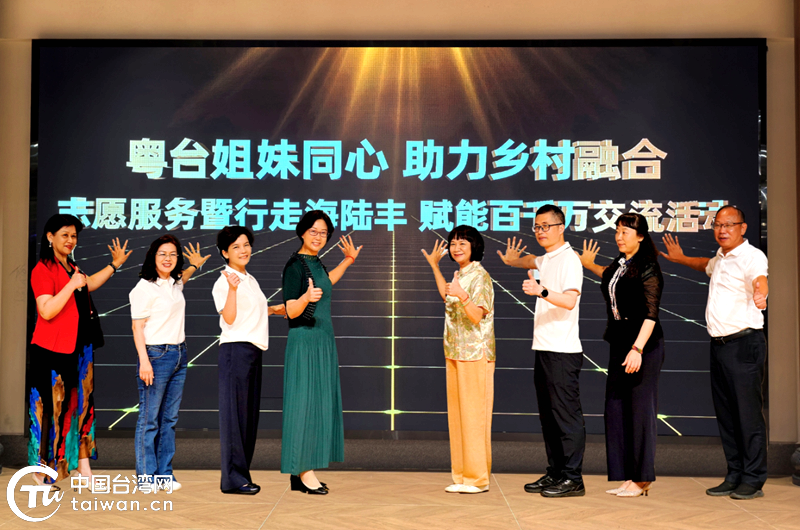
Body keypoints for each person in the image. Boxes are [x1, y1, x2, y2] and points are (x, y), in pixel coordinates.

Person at [660, 205, 768, 500]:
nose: (722, 230)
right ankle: (734, 474)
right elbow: (705, 265)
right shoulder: (721, 257)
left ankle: (753, 478)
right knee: (727, 416)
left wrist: (762, 293)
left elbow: (759, 279)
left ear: (743, 228)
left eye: (729, 224)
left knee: (747, 416)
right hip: (719, 346)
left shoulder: (751, 256)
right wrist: (682, 259)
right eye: (718, 225)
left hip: (743, 344)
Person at [29, 213, 132, 488]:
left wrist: (114, 265)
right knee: (53, 410)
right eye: (65, 235)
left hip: (79, 348)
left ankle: (81, 464)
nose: (70, 240)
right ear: (50, 237)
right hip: (52, 351)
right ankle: (43, 471)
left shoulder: (71, 266)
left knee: (82, 407)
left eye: (74, 236)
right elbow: (46, 310)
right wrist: (71, 285)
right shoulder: (43, 269)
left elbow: (89, 284)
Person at [497, 204, 585, 497]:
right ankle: (556, 473)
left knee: (566, 417)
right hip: (545, 346)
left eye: (546, 226)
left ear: (561, 227)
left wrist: (542, 291)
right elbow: (530, 260)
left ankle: (573, 478)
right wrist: (513, 261)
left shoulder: (569, 260)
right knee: (549, 417)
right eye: (537, 226)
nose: (540, 231)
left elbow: (570, 301)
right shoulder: (547, 259)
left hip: (562, 350)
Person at [578, 213, 665, 498]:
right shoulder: (620, 263)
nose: (619, 236)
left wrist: (638, 348)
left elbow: (651, 314)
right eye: (617, 230)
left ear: (640, 236)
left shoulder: (648, 267)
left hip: (642, 346)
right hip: (619, 343)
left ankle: (643, 478)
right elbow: (608, 276)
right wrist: (588, 264)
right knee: (616, 410)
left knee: (640, 411)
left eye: (625, 232)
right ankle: (628, 475)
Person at [281, 210, 362, 495]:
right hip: (305, 341)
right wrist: (305, 297)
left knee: (317, 405)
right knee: (303, 406)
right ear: (302, 232)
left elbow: (326, 282)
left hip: (322, 339)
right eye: (313, 231)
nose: (318, 237)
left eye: (324, 233)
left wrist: (348, 260)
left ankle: (301, 471)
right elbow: (291, 310)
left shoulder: (315, 261)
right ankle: (303, 470)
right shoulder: (295, 266)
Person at [129, 234, 210, 491]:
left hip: (179, 355)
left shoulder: (175, 283)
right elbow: (137, 327)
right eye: (163, 254)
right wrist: (144, 361)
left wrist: (194, 265)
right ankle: (146, 477)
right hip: (155, 356)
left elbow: (184, 277)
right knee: (149, 420)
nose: (168, 258)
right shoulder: (143, 288)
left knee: (169, 420)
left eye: (173, 254)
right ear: (153, 256)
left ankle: (164, 475)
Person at [422, 225, 495, 494]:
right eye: (453, 243)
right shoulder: (460, 273)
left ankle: (478, 479)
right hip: (455, 351)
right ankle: (463, 476)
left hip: (475, 353)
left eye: (463, 243)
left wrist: (462, 295)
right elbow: (447, 295)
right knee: (459, 417)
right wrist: (435, 266)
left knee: (474, 417)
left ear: (475, 247)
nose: (456, 247)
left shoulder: (480, 276)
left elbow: (477, 315)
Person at [212, 226, 286, 495]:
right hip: (236, 351)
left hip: (252, 350)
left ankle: (241, 475)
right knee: (235, 417)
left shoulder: (249, 278)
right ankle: (233, 479)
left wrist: (274, 309)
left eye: (246, 245)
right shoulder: (225, 281)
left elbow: (251, 310)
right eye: (235, 247)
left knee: (248, 417)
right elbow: (230, 318)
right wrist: (232, 289)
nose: (243, 250)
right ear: (225, 253)